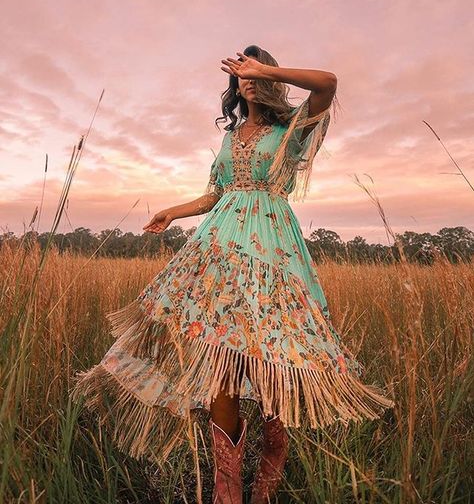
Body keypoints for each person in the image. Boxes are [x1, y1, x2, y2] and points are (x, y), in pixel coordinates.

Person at [70, 44, 394, 504]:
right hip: (219, 253)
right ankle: (228, 493)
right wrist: (172, 212)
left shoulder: (292, 129)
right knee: (224, 361)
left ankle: (265, 485)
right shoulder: (231, 134)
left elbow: (329, 83)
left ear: (269, 76)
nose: (244, 77)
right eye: (240, 70)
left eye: (253, 68)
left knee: (271, 363)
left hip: (273, 257)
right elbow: (214, 195)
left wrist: (264, 67)